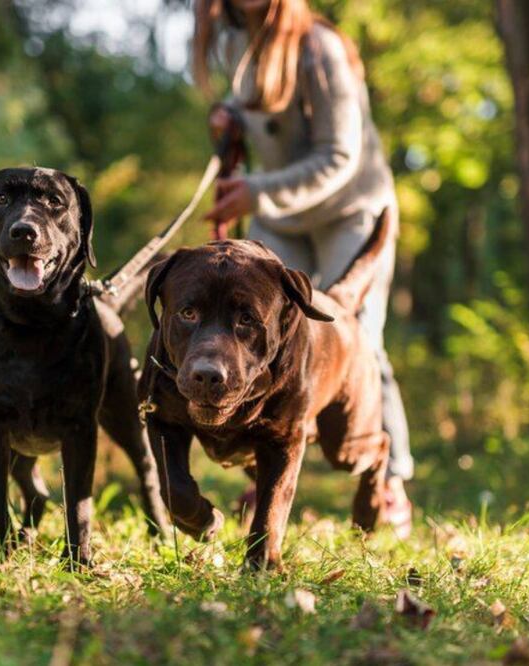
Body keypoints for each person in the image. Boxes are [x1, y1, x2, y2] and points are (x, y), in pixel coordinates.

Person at [193, 0, 414, 536]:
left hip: (349, 211)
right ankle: (263, 468)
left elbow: (340, 156)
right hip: (282, 217)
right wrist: (231, 119)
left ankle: (391, 482)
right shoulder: (233, 40)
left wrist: (255, 191)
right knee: (257, 335)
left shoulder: (321, 47)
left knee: (358, 339)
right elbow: (264, 113)